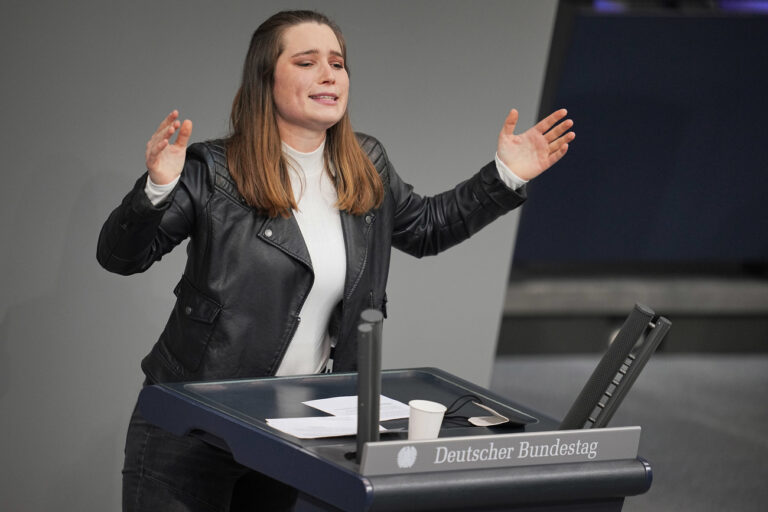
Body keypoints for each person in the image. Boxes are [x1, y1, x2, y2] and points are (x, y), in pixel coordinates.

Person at [97, 9, 574, 512]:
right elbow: (121, 257)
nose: (329, 74)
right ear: (266, 78)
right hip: (192, 424)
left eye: (338, 63)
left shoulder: (366, 164)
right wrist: (156, 190)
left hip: (295, 430)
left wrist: (504, 177)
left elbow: (429, 229)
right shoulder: (211, 169)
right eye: (307, 62)